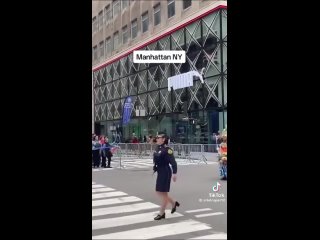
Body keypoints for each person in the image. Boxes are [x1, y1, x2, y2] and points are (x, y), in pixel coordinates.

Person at [153, 133, 180, 220]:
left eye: (158, 137)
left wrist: (174, 173)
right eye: (156, 137)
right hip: (160, 171)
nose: (157, 139)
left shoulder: (167, 150)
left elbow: (173, 162)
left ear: (163, 139)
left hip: (165, 171)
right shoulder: (158, 147)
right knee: (159, 192)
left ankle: (162, 213)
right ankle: (173, 203)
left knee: (163, 193)